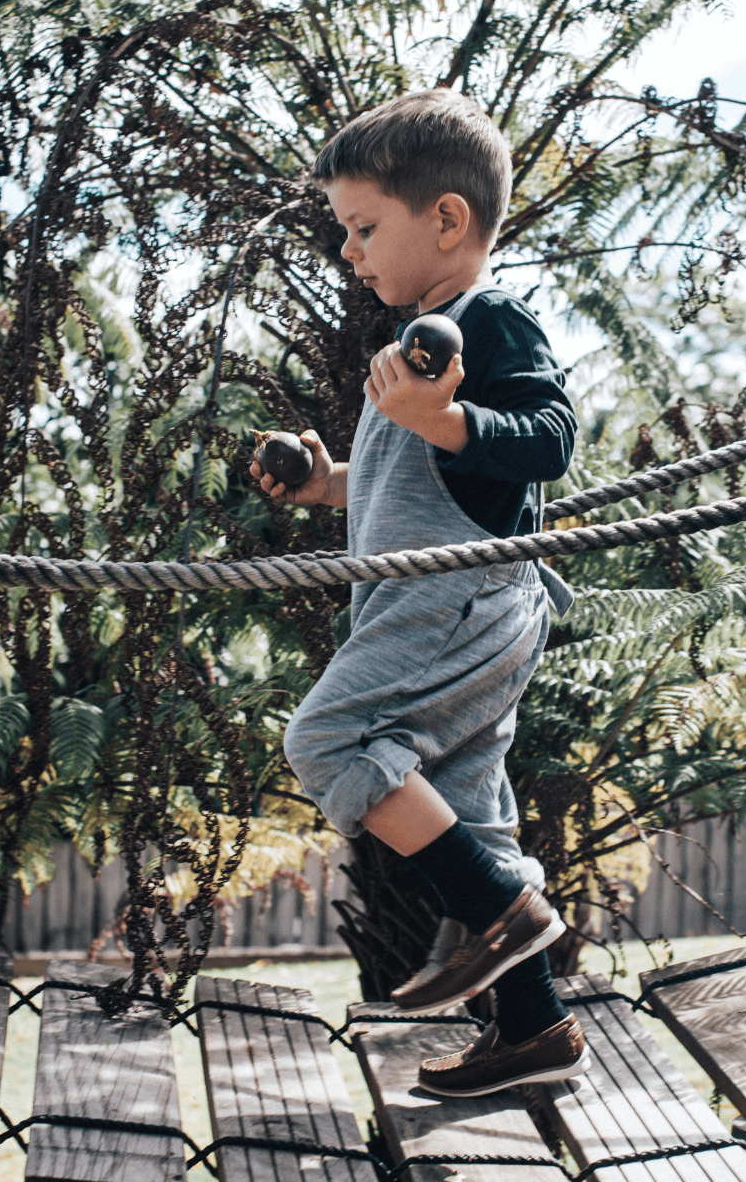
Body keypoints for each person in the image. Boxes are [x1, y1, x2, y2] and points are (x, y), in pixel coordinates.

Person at [250, 88, 587, 1096]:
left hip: (461, 601)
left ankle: (502, 913)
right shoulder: (414, 357)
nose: (350, 251)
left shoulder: (486, 322)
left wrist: (447, 419)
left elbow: (550, 438)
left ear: (445, 219)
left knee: (324, 740)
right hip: (430, 606)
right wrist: (327, 487)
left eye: (363, 227)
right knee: (474, 818)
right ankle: (534, 1032)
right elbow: (410, 480)